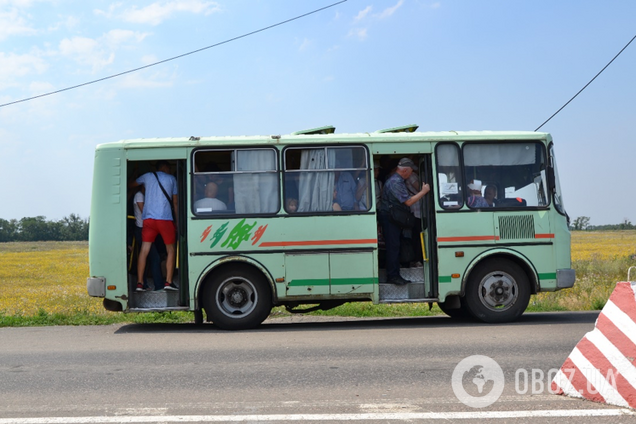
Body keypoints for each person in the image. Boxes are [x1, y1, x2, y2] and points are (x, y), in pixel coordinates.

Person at [378, 158, 430, 285]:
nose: (411, 174)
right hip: (390, 219)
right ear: (406, 170)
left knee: (395, 246)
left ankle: (395, 274)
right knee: (393, 247)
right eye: (411, 171)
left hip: (392, 218)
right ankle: (393, 276)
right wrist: (423, 192)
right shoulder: (395, 182)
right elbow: (408, 201)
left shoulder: (397, 180)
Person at [129, 160, 178, 292]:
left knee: (144, 250)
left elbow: (131, 185)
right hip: (165, 219)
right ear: (165, 167)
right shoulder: (172, 178)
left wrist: (134, 175)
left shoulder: (147, 176)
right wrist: (177, 221)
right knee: (171, 250)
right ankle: (168, 282)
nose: (169, 170)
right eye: (168, 168)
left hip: (148, 220)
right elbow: (175, 202)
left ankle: (140, 283)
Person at [132, 187, 164, 290]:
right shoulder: (139, 195)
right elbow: (144, 212)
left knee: (148, 258)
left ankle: (144, 284)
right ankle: (158, 286)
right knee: (155, 258)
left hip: (144, 229)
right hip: (142, 229)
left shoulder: (141, 195)